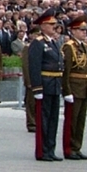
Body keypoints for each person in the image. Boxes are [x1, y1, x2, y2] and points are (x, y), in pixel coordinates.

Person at [28, 9, 64, 161]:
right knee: (44, 119)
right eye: (51, 24)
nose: (54, 27)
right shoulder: (38, 43)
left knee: (53, 120)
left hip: (54, 84)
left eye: (55, 24)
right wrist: (37, 88)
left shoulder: (54, 42)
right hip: (45, 84)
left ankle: (51, 149)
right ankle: (42, 151)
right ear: (43, 26)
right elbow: (34, 66)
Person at [60, 15, 87, 160]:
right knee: (71, 121)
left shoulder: (85, 47)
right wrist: (67, 90)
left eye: (85, 30)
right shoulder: (69, 47)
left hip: (84, 87)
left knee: (80, 121)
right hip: (74, 86)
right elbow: (66, 70)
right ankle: (69, 148)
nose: (84, 32)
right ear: (73, 31)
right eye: (81, 30)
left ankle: (77, 147)